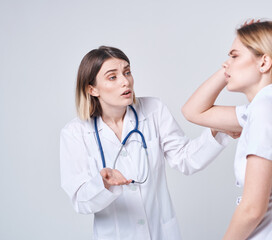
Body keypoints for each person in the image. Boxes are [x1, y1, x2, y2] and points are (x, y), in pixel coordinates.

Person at [60, 46, 230, 240]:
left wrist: (217, 129)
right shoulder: (75, 133)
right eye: (112, 77)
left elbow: (185, 159)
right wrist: (103, 184)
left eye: (127, 72)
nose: (125, 81)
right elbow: (81, 202)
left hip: (161, 233)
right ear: (92, 89)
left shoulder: (153, 110)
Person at [182, 20, 272, 240]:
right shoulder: (268, 108)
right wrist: (232, 65)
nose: (226, 63)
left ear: (264, 62)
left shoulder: (267, 110)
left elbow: (252, 209)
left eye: (234, 55)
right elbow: (193, 112)